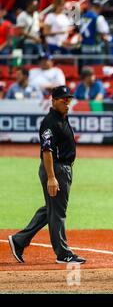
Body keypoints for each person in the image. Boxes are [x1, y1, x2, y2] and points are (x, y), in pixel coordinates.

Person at [8, 86, 86, 265]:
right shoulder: (50, 122)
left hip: (61, 168)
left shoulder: (62, 118)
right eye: (63, 99)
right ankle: (62, 253)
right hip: (56, 169)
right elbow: (47, 151)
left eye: (69, 99)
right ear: (53, 101)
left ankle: (19, 240)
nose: (67, 103)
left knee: (50, 209)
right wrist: (52, 177)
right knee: (58, 212)